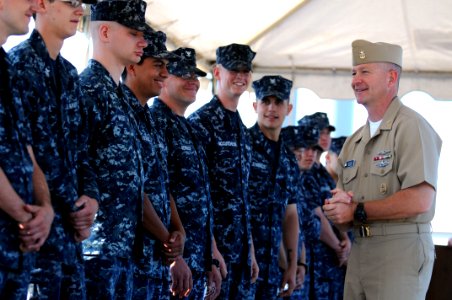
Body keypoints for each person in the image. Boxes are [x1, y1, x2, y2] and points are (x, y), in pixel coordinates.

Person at [323, 39, 442, 299]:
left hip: (399, 252)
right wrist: (339, 208)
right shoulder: (353, 143)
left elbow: (420, 200)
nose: (356, 80)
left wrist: (357, 210)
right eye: (354, 72)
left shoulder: (411, 127)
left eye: (365, 71)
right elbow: (346, 208)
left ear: (391, 77)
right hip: (361, 250)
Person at [9, 1, 99, 298]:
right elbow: (20, 150)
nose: (80, 11)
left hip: (70, 237)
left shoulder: (69, 74)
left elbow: (81, 147)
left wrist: (90, 198)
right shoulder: (18, 66)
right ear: (44, 4)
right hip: (36, 230)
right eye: (71, 2)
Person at [78, 1, 149, 298]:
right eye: (133, 33)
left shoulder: (120, 96)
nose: (143, 42)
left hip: (125, 248)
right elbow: (76, 160)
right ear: (104, 31)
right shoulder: (88, 89)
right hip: (98, 249)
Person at [121, 32, 192, 300]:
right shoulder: (123, 112)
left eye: (166, 66)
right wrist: (168, 240)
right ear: (133, 65)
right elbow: (134, 190)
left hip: (155, 258)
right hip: (133, 254)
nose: (165, 73)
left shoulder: (147, 118)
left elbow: (161, 184)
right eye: (157, 65)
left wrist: (179, 231)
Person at [149, 47, 223, 299]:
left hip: (196, 260)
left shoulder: (189, 128)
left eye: (195, 76)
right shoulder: (156, 122)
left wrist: (210, 256)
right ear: (165, 78)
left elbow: (202, 201)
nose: (192, 81)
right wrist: (175, 258)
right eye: (183, 75)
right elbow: (157, 194)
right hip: (170, 260)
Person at [188, 43, 259, 299]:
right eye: (234, 69)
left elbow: (242, 198)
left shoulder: (240, 127)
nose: (240, 76)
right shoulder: (201, 122)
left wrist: (249, 250)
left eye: (245, 70)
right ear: (217, 72)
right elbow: (197, 196)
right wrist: (211, 253)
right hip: (213, 254)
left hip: (239, 253)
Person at [0, 1, 54, 298]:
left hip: (16, 248)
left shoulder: (7, 67)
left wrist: (44, 208)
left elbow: (26, 150)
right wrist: (24, 214)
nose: (35, 5)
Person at [248, 75, 299, 299]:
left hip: (273, 267)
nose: (271, 108)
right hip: (242, 263)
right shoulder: (243, 145)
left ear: (288, 108)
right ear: (254, 106)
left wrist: (292, 263)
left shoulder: (288, 157)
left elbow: (290, 214)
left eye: (278, 102)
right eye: (265, 101)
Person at [297, 113, 350, 300]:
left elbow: (335, 207)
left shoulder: (321, 173)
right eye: (320, 131)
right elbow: (316, 213)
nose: (325, 136)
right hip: (312, 256)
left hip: (329, 261)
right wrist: (339, 247)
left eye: (328, 132)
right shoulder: (303, 171)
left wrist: (345, 241)